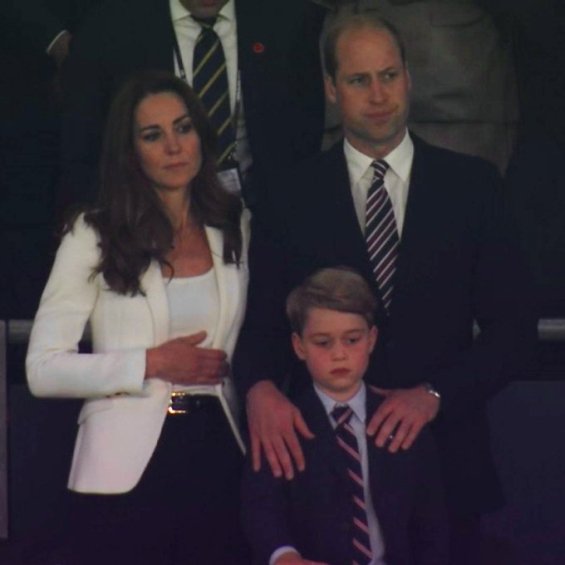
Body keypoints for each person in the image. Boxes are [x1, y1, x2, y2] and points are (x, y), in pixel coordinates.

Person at [232, 12, 537, 565]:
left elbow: (513, 332)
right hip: (325, 478)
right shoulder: (289, 197)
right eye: (358, 80)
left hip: (448, 466)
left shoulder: (472, 187)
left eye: (389, 75)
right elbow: (261, 329)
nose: (378, 95)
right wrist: (258, 389)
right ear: (330, 88)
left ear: (408, 78)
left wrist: (434, 396)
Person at [26, 70, 250, 565]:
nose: (174, 146)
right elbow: (42, 369)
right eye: (153, 135)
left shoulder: (235, 224)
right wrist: (149, 362)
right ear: (130, 151)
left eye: (183, 128)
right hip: (124, 465)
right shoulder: (92, 231)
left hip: (220, 448)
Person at [242, 267, 448, 565]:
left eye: (352, 340)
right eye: (323, 343)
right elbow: (261, 509)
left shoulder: (402, 421)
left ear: (371, 339)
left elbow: (432, 524)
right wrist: (283, 557)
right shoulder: (282, 424)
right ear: (299, 346)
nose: (339, 354)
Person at [58, 0, 326, 211]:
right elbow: (83, 142)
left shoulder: (288, 20)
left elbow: (304, 135)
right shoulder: (111, 28)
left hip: (264, 216)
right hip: (148, 220)